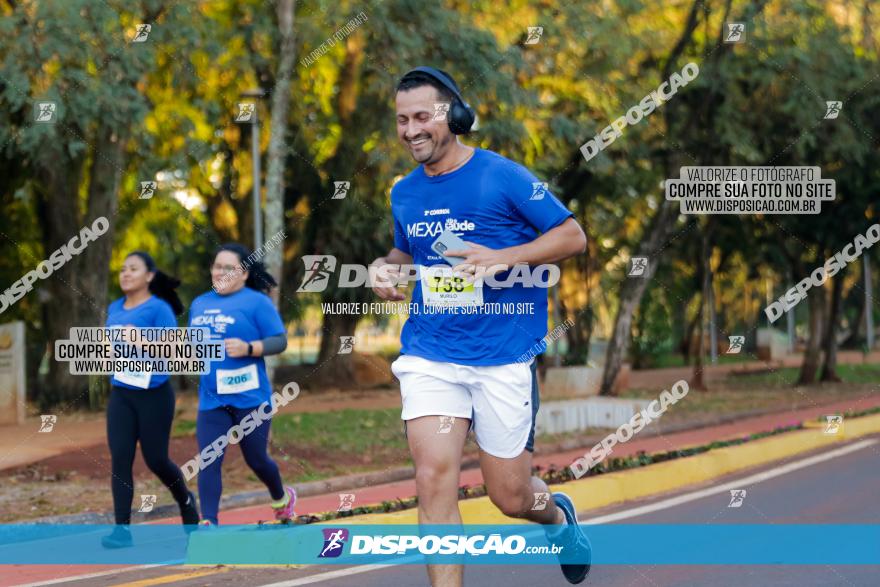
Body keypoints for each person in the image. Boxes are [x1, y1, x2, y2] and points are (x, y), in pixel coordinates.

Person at [371, 67, 591, 585]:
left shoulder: (502, 175)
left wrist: (504, 257)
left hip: (502, 356)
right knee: (433, 481)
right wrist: (387, 268)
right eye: (402, 120)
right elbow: (405, 250)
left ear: (454, 116)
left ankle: (557, 517)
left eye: (422, 116)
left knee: (510, 495)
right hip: (431, 354)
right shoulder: (404, 192)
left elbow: (572, 235)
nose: (410, 130)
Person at [189, 243, 295, 526]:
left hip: (251, 399)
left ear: (244, 273)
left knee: (257, 459)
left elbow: (279, 340)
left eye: (228, 267)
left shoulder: (256, 303)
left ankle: (281, 497)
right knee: (209, 459)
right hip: (213, 399)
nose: (219, 272)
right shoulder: (199, 304)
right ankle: (208, 521)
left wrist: (249, 348)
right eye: (216, 266)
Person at [102, 251, 199, 549]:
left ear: (149, 277)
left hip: (154, 395)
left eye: (133, 269)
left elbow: (175, 351)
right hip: (121, 394)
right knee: (120, 458)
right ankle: (122, 531)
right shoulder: (114, 307)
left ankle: (185, 501)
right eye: (122, 269)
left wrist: (141, 340)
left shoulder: (159, 309)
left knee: (156, 459)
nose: (125, 273)